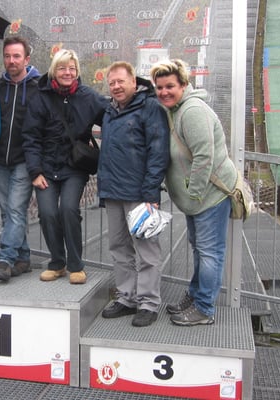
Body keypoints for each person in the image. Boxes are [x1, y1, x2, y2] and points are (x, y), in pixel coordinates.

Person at [150, 59, 238, 326]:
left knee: (209, 252)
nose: (164, 92)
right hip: (196, 199)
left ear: (184, 85)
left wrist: (194, 194)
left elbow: (204, 156)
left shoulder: (192, 111)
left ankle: (204, 308)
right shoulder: (174, 111)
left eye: (170, 86)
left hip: (209, 196)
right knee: (200, 250)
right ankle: (197, 295)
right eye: (159, 87)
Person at [22, 49, 107, 284]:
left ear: (77, 71)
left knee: (69, 209)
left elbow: (111, 115)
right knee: (47, 213)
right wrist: (35, 171)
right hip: (46, 167)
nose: (67, 72)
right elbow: (31, 137)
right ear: (54, 70)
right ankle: (57, 262)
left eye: (71, 68)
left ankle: (76, 265)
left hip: (74, 167)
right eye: (62, 68)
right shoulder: (40, 97)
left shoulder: (88, 97)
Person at [97, 62, 170, 327]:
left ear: (133, 82)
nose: (116, 86)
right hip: (113, 191)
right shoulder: (109, 111)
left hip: (140, 193)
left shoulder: (150, 107)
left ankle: (148, 302)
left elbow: (158, 151)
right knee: (119, 248)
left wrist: (151, 192)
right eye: (112, 83)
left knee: (147, 250)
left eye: (121, 81)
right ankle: (127, 297)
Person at [0, 36, 41, 282]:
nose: (11, 60)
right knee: (7, 212)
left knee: (15, 210)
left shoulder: (39, 87)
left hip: (24, 159)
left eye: (16, 56)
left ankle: (6, 259)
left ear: (27, 59)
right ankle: (23, 257)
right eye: (8, 56)